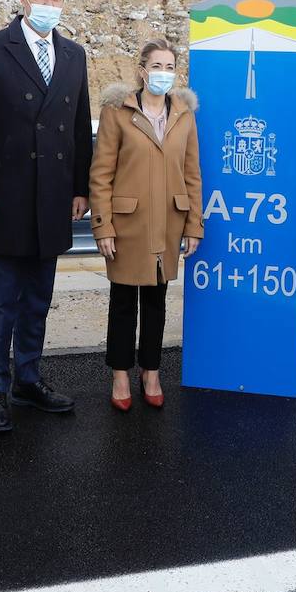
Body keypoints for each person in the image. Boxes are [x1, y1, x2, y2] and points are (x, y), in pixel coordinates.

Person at [0, 0, 93, 433]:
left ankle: (27, 379)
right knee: (1, 303)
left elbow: (79, 127)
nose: (49, 5)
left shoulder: (74, 55)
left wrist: (81, 187)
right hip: (3, 199)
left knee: (38, 299)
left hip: (53, 199)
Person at [89, 39, 204, 410]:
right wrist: (103, 226)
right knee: (123, 301)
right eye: (157, 66)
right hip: (127, 224)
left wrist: (194, 226)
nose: (163, 74)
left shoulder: (184, 114)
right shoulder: (117, 112)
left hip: (169, 222)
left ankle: (151, 371)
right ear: (142, 70)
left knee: (156, 300)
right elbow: (101, 174)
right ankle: (120, 374)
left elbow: (192, 174)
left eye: (170, 67)